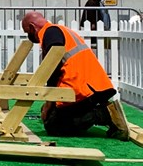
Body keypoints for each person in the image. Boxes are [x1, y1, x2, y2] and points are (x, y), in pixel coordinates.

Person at [21, 11, 128, 140]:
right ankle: (101, 111)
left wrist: (50, 100)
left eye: (28, 32)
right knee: (51, 114)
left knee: (54, 126)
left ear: (32, 27)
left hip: (80, 88)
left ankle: (103, 114)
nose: (29, 36)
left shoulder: (50, 33)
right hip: (93, 85)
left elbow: (53, 65)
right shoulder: (61, 30)